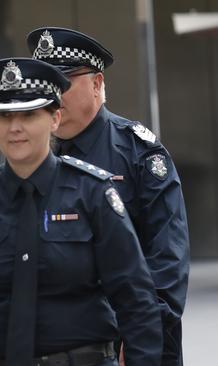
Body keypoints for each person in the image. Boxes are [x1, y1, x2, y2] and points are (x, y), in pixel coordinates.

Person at [0, 58, 163, 366]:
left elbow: (135, 300)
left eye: (28, 114)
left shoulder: (92, 193)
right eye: (4, 116)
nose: (14, 127)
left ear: (54, 119)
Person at [27, 27, 190, 366]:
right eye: (46, 85)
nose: (54, 96)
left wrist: (143, 335)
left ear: (97, 83)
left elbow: (168, 255)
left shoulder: (138, 152)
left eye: (64, 83)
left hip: (129, 340)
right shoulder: (31, 155)